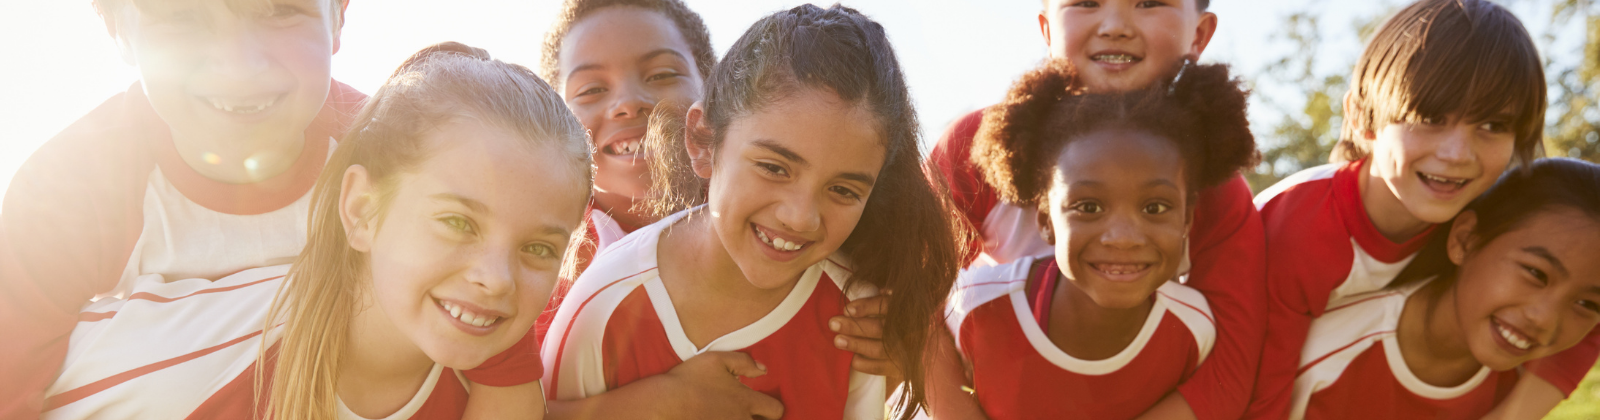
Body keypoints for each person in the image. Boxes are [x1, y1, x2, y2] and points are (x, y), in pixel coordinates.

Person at [38, 42, 593, 420]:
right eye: (457, 222)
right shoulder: (181, 367)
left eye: (537, 248)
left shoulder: (486, 372)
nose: (496, 279)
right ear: (360, 211)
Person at [542, 5, 963, 419]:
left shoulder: (848, 304)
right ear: (702, 138)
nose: (628, 103)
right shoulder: (573, 282)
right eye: (774, 167)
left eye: (661, 74)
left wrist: (890, 360)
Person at [0, 0, 362, 415]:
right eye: (181, 17)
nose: (238, 67)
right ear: (119, 29)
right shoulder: (69, 190)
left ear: (337, 16)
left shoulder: (394, 164)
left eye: (279, 10)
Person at [927, 1, 1262, 418]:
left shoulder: (1218, 188)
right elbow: (913, 304)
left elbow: (1228, 371)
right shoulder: (974, 147)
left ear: (1199, 35)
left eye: (1149, 2)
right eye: (1086, 2)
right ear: (1047, 29)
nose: (1115, 26)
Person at [1246, 0, 1574, 417]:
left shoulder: (1480, 221)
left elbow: (1585, 298)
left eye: (1492, 126)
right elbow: (1259, 390)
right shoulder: (1297, 227)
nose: (1457, 153)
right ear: (1364, 117)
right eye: (1431, 117)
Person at [1286, 158, 1600, 419]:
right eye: (1535, 273)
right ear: (1465, 240)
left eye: (1587, 304)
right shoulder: (1327, 354)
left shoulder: (1525, 369)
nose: (1543, 319)